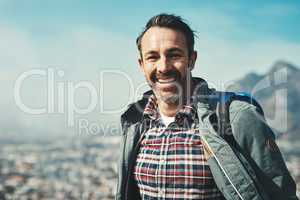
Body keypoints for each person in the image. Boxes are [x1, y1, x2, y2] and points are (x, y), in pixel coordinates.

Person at [115, 13, 298, 200]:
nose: (163, 67)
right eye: (152, 57)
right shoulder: (134, 124)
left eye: (174, 54)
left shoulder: (236, 118)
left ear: (192, 59)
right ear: (142, 65)